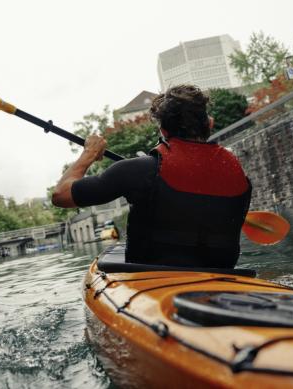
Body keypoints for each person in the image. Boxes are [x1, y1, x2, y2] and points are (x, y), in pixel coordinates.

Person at [52, 85, 251, 268]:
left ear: (163, 130)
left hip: (150, 281)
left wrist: (89, 153)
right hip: (225, 279)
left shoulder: (137, 171)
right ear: (210, 124)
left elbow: (61, 195)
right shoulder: (238, 172)